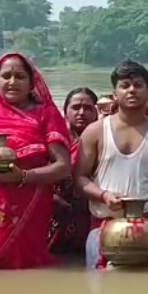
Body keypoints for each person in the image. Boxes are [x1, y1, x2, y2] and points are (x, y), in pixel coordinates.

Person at [0, 53, 73, 269]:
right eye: (6, 76)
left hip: (30, 205)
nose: (12, 82)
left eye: (20, 76)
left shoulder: (46, 115)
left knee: (28, 267)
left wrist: (23, 177)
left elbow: (63, 167)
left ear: (31, 83)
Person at [75, 60, 148, 269]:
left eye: (138, 85)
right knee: (100, 288)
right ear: (115, 94)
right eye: (125, 85)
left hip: (147, 227)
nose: (132, 90)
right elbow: (80, 177)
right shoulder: (95, 131)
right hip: (104, 226)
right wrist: (104, 195)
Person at [48, 87, 100, 257]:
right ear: (65, 112)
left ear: (96, 113)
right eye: (76, 107)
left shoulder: (104, 140)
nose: (81, 113)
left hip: (90, 214)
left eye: (88, 108)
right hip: (54, 214)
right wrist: (50, 197)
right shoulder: (53, 141)